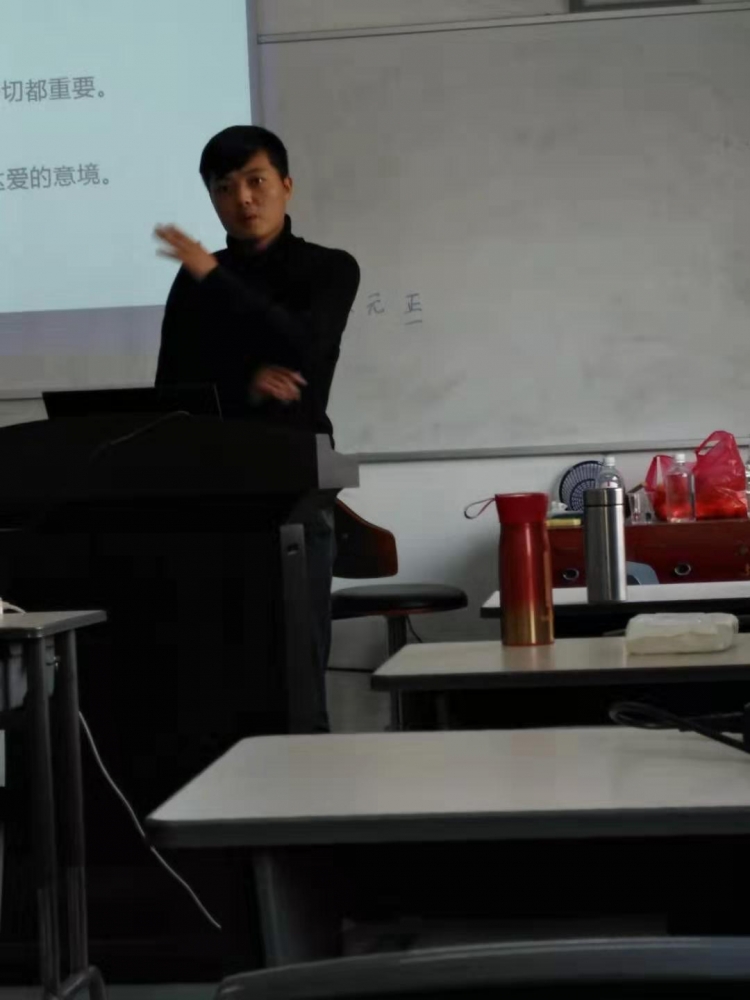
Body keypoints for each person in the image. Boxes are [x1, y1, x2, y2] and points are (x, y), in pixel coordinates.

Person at [154, 125, 360, 731]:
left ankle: (309, 777)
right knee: (220, 672)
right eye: (224, 187)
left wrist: (213, 277)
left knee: (296, 666)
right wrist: (244, 384)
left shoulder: (329, 268)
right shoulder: (194, 279)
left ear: (286, 185)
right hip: (211, 491)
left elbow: (305, 347)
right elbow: (172, 388)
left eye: (256, 181)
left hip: (295, 483)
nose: (242, 198)